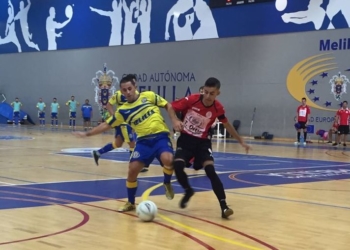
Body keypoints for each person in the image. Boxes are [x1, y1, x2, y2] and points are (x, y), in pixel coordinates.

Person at [74, 75, 183, 212]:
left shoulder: (148, 96)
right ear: (121, 91)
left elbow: (167, 105)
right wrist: (87, 134)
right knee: (132, 170)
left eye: (130, 89)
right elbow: (107, 125)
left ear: (135, 87)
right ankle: (130, 203)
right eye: (124, 90)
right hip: (143, 142)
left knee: (168, 159)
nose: (128, 92)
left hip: (160, 136)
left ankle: (167, 182)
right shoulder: (122, 111)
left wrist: (174, 120)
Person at [171, 77, 251, 218]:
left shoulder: (218, 108)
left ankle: (224, 206)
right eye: (206, 92)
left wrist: (240, 141)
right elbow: (170, 106)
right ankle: (188, 190)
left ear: (217, 93)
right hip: (186, 140)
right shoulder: (192, 99)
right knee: (177, 165)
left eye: (211, 93)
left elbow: (227, 125)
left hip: (202, 143)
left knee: (210, 170)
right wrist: (175, 120)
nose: (208, 96)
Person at [92, 74, 149, 173]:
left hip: (129, 122)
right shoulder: (119, 94)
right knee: (132, 143)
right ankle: (134, 166)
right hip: (123, 123)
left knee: (118, 144)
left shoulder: (137, 94)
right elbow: (109, 105)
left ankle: (98, 152)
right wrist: (114, 117)